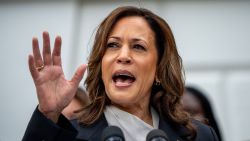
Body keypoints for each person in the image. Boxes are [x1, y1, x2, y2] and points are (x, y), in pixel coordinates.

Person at [22, 6, 219, 141]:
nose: (123, 56)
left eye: (138, 47)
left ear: (159, 69)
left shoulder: (199, 136)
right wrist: (48, 115)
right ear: (101, 66)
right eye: (113, 45)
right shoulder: (71, 135)